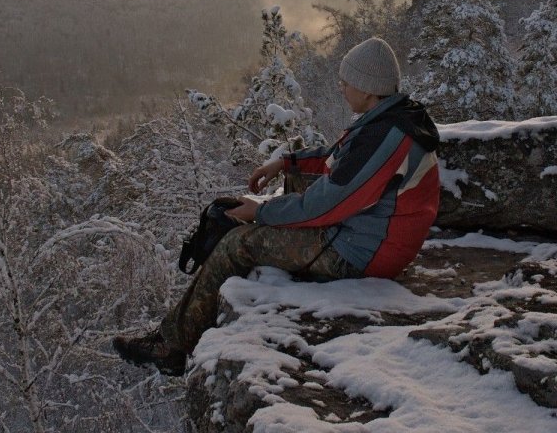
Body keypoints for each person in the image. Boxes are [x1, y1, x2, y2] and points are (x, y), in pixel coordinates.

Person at [112, 37, 441, 375]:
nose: (341, 87)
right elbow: (341, 163)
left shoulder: (386, 137)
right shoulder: (391, 120)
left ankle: (171, 346)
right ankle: (178, 332)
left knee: (237, 244)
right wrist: (287, 164)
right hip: (373, 233)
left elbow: (326, 206)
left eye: (347, 82)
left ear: (370, 90)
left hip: (365, 250)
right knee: (263, 214)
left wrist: (261, 212)